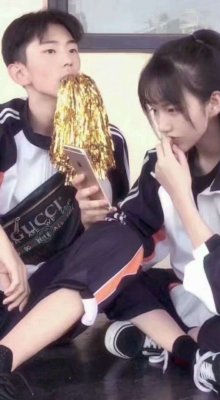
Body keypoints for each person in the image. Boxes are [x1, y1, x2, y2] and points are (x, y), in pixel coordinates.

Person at [0, 28, 220, 399]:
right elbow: (125, 238)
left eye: (173, 110)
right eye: (154, 110)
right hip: (192, 297)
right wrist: (95, 228)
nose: (162, 124)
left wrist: (182, 197)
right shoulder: (160, 161)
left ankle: (173, 342)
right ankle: (6, 360)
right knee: (112, 256)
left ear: (214, 103)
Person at [0, 9, 130, 397]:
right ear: (19, 73)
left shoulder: (108, 141)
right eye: (51, 51)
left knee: (120, 239)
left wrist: (92, 222)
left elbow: (101, 246)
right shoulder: (5, 129)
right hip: (6, 284)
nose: (68, 60)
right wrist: (7, 253)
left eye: (73, 50)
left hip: (54, 300)